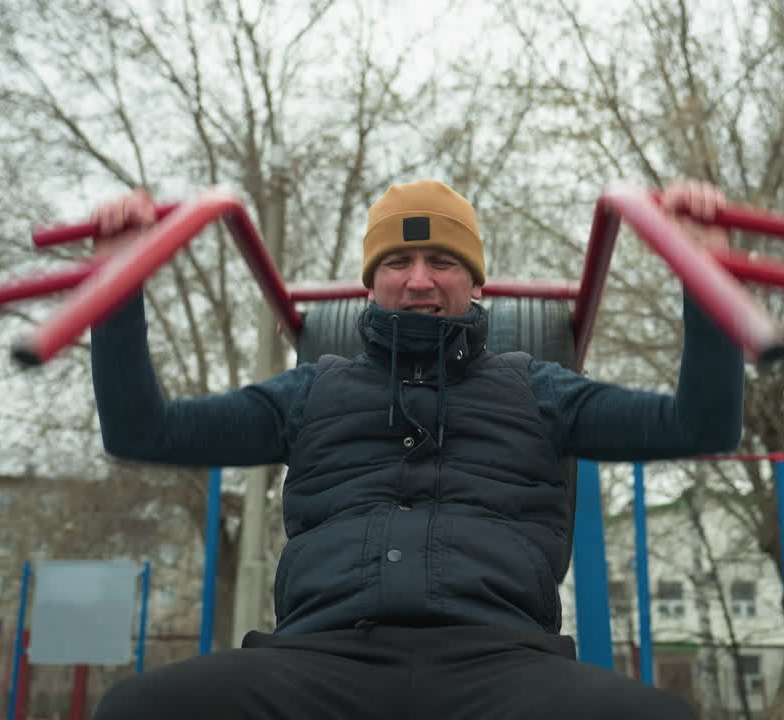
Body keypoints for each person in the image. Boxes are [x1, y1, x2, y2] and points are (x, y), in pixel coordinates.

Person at [88, 179, 743, 719]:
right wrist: (118, 281)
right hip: (322, 659)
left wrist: (703, 270)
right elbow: (142, 432)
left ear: (474, 280)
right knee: (138, 709)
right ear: (371, 283)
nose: (420, 280)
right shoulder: (311, 393)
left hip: (500, 665)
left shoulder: (541, 392)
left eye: (443, 262)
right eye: (398, 262)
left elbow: (701, 425)